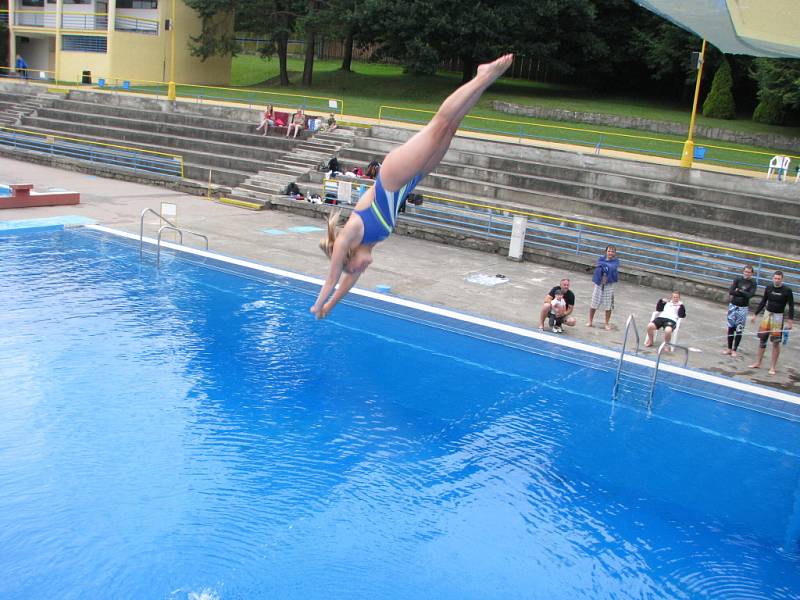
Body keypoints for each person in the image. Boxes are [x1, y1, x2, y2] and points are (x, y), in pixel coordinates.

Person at [310, 54, 514, 319]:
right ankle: (484, 80)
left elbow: (333, 279)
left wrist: (318, 304)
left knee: (438, 125)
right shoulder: (369, 244)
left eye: (356, 269)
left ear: (348, 259)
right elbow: (348, 283)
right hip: (409, 183)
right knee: (450, 129)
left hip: (393, 177)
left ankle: (483, 75)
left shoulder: (352, 233)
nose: (361, 271)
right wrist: (330, 307)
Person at [749, 271, 794, 375]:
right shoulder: (769, 288)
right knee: (762, 339)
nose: (776, 280)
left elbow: (791, 306)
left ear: (782, 279)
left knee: (775, 342)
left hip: (778, 317)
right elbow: (763, 301)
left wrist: (790, 321)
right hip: (767, 315)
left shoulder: (787, 290)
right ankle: (758, 362)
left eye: (778, 279)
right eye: (775, 278)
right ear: (772, 278)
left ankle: (773, 367)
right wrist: (755, 314)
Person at [723, 265, 757, 358]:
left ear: (752, 273)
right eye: (745, 272)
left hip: (743, 308)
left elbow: (750, 295)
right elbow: (731, 291)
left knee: (739, 329)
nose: (747, 273)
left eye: (749, 272)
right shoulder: (737, 279)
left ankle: (735, 349)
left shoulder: (753, 282)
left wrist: (740, 291)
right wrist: (743, 293)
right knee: (730, 327)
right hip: (733, 306)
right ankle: (729, 348)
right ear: (743, 272)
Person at [586, 245, 619, 330]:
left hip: (608, 285)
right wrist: (603, 266)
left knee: (608, 306)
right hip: (599, 284)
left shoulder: (616, 261)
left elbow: (611, 268)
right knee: (594, 303)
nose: (610, 253)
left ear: (615, 253)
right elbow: (600, 267)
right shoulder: (601, 259)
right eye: (609, 251)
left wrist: (604, 266)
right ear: (606, 252)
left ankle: (606, 323)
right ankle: (590, 321)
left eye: (612, 251)